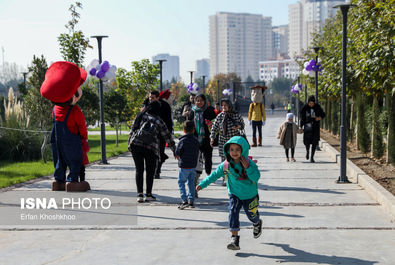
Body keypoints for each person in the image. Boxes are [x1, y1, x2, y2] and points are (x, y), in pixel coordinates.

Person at [196, 136, 262, 250]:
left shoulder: (249, 163)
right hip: (234, 194)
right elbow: (214, 175)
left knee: (252, 216)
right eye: (232, 149)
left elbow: (256, 177)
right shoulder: (225, 165)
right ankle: (234, 238)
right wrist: (202, 184)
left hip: (250, 195)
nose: (234, 152)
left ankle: (257, 223)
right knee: (233, 212)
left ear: (243, 150)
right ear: (228, 150)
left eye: (237, 149)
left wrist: (247, 168)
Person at [40, 61, 90, 192]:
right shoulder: (75, 111)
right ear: (74, 95)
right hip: (72, 141)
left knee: (59, 160)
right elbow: (81, 126)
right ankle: (72, 181)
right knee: (75, 160)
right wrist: (84, 137)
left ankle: (59, 180)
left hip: (57, 139)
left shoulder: (55, 109)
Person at [129, 100, 176, 202]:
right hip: (150, 148)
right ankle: (149, 194)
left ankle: (140, 195)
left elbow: (132, 129)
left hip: (136, 145)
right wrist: (174, 150)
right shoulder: (158, 120)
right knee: (150, 171)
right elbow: (167, 136)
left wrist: (130, 144)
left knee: (139, 170)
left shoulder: (141, 115)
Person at [187, 94, 217, 191]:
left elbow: (215, 124)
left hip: (207, 139)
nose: (198, 102)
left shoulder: (210, 111)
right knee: (197, 160)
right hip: (195, 139)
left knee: (208, 157)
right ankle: (197, 177)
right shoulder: (192, 111)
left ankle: (208, 174)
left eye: (200, 100)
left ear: (205, 101)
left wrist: (210, 125)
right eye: (197, 100)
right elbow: (189, 124)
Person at [175, 120, 200, 209]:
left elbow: (177, 152)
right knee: (191, 183)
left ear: (184, 130)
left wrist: (178, 156)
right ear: (193, 130)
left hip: (184, 166)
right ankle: (191, 200)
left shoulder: (182, 141)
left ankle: (184, 200)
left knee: (181, 182)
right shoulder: (196, 141)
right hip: (193, 166)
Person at [149, 90, 173, 179]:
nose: (151, 99)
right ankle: (154, 169)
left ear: (158, 98)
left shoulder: (165, 106)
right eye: (150, 97)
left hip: (161, 134)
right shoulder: (147, 105)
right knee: (151, 153)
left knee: (160, 152)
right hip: (149, 135)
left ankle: (157, 170)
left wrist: (169, 134)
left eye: (153, 98)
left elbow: (168, 121)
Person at [300, 96, 325, 163]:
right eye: (310, 103)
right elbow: (302, 118)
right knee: (306, 142)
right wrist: (301, 127)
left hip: (315, 127)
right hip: (307, 127)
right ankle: (307, 151)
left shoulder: (317, 107)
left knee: (314, 142)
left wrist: (319, 118)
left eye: (312, 103)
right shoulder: (305, 107)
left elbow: (323, 114)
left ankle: (312, 157)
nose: (311, 104)